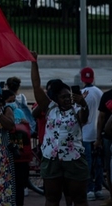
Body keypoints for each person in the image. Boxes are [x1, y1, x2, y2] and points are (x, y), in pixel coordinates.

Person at [31, 52, 90, 206]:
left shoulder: (76, 109)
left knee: (79, 199)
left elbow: (84, 118)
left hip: (74, 159)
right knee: (51, 199)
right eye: (63, 97)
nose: (67, 99)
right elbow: (36, 86)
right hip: (51, 159)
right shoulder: (50, 108)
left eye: (69, 96)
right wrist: (34, 62)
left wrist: (84, 104)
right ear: (56, 99)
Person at [4, 88, 33, 206]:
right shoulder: (8, 113)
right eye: (10, 100)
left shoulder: (17, 112)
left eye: (13, 100)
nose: (12, 103)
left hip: (17, 154)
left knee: (16, 186)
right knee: (16, 186)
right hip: (16, 154)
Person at [79, 67, 105, 201]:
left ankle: (89, 189)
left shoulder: (81, 94)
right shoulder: (99, 92)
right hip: (97, 132)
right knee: (98, 162)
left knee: (87, 163)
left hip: (84, 133)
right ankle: (98, 188)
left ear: (81, 78)